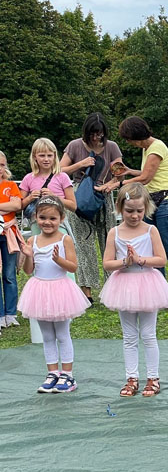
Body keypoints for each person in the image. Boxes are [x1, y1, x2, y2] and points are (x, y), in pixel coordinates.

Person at [100, 183, 168, 398]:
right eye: (129, 211)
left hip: (147, 285)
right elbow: (107, 263)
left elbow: (161, 259)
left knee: (149, 334)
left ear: (146, 208)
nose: (134, 216)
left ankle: (153, 377)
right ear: (120, 208)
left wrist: (140, 260)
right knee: (129, 336)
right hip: (124, 286)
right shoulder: (114, 232)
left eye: (139, 211)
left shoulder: (151, 230)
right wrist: (125, 262)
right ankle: (131, 377)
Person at [17, 195, 90, 393]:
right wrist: (28, 256)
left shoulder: (65, 239)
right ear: (36, 218)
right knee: (47, 335)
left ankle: (68, 375)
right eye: (42, 218)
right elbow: (29, 270)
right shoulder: (32, 240)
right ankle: (52, 373)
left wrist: (59, 261)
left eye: (52, 218)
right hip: (40, 290)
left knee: (62, 334)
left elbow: (73, 267)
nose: (47, 222)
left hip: (60, 290)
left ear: (61, 219)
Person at [60, 113, 124, 302]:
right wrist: (81, 164)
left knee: (109, 240)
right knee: (82, 243)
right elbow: (59, 170)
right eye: (93, 134)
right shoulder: (74, 146)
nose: (97, 138)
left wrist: (110, 185)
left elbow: (120, 174)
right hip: (80, 196)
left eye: (100, 134)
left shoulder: (112, 147)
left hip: (104, 196)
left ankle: (112, 290)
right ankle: (86, 292)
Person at [117, 116, 168, 284]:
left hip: (166, 202)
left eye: (129, 139)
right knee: (153, 250)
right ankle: (158, 289)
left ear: (136, 135)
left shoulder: (156, 148)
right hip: (151, 202)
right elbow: (147, 172)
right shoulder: (147, 149)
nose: (129, 142)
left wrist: (120, 184)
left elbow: (146, 178)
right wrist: (129, 171)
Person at [20, 138, 77, 216]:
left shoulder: (63, 177)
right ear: (34, 156)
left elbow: (73, 206)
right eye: (42, 155)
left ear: (54, 156)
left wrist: (54, 197)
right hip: (36, 220)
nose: (46, 159)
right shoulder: (28, 178)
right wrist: (30, 198)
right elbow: (18, 208)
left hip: (59, 220)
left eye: (49, 155)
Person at [0, 151, 23, 330]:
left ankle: (11, 313)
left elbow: (16, 205)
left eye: (2, 165)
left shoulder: (10, 185)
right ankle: (0, 315)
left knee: (9, 275)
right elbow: (10, 206)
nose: (0, 168)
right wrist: (5, 207)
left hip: (9, 234)